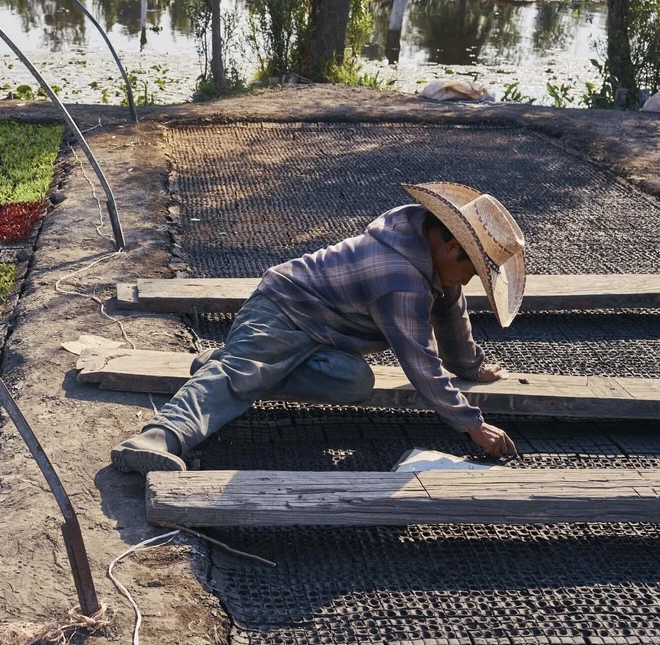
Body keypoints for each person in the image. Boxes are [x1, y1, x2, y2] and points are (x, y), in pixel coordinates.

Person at [112, 182, 525, 475]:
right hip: (283, 311)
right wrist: (472, 425)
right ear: (452, 247)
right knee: (241, 377)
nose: (468, 282)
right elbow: (420, 361)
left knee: (354, 382)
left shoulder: (431, 255)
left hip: (324, 336)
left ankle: (221, 363)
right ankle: (156, 438)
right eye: (470, 270)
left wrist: (472, 368)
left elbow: (451, 316)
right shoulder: (399, 279)